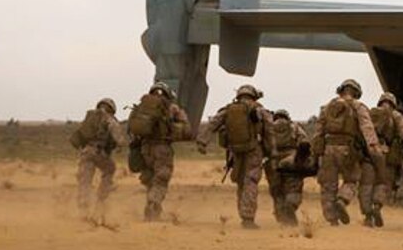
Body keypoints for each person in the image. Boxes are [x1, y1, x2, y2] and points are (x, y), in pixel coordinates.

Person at [197, 84, 275, 229]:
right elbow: (270, 130)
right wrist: (272, 151)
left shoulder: (229, 110)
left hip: (235, 152)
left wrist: (202, 142)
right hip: (254, 151)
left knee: (241, 182)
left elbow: (213, 124)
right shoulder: (259, 110)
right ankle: (248, 218)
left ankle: (244, 214)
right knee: (250, 181)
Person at [312, 79, 382, 226]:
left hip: (328, 150)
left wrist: (317, 154)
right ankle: (342, 200)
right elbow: (367, 127)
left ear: (341, 90)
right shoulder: (358, 106)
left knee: (328, 185)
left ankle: (332, 220)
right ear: (356, 92)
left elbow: (318, 132)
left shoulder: (326, 108)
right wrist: (373, 147)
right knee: (351, 180)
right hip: (348, 149)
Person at [128, 81, 191, 222]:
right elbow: (187, 130)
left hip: (145, 149)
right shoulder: (171, 107)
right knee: (161, 179)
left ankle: (153, 210)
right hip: (162, 149)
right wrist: (173, 132)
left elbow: (131, 128)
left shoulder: (141, 107)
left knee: (150, 179)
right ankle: (153, 205)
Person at [359, 91, 403, 227]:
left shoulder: (370, 114)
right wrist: (402, 151)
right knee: (382, 184)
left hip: (369, 154)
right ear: (393, 104)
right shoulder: (396, 116)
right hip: (386, 156)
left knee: (366, 185)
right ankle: (377, 207)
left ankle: (367, 216)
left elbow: (360, 132)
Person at [71, 97, 128, 214]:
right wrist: (121, 144)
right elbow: (118, 136)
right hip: (99, 152)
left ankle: (83, 206)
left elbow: (80, 134)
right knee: (110, 169)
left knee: (85, 180)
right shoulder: (109, 118)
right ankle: (101, 198)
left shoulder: (90, 117)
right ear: (112, 109)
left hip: (86, 152)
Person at [263, 108, 312, 226]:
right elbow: (304, 141)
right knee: (293, 187)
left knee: (277, 191)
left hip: (272, 161)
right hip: (291, 160)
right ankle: (290, 206)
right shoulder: (294, 127)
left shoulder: (268, 128)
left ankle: (282, 217)